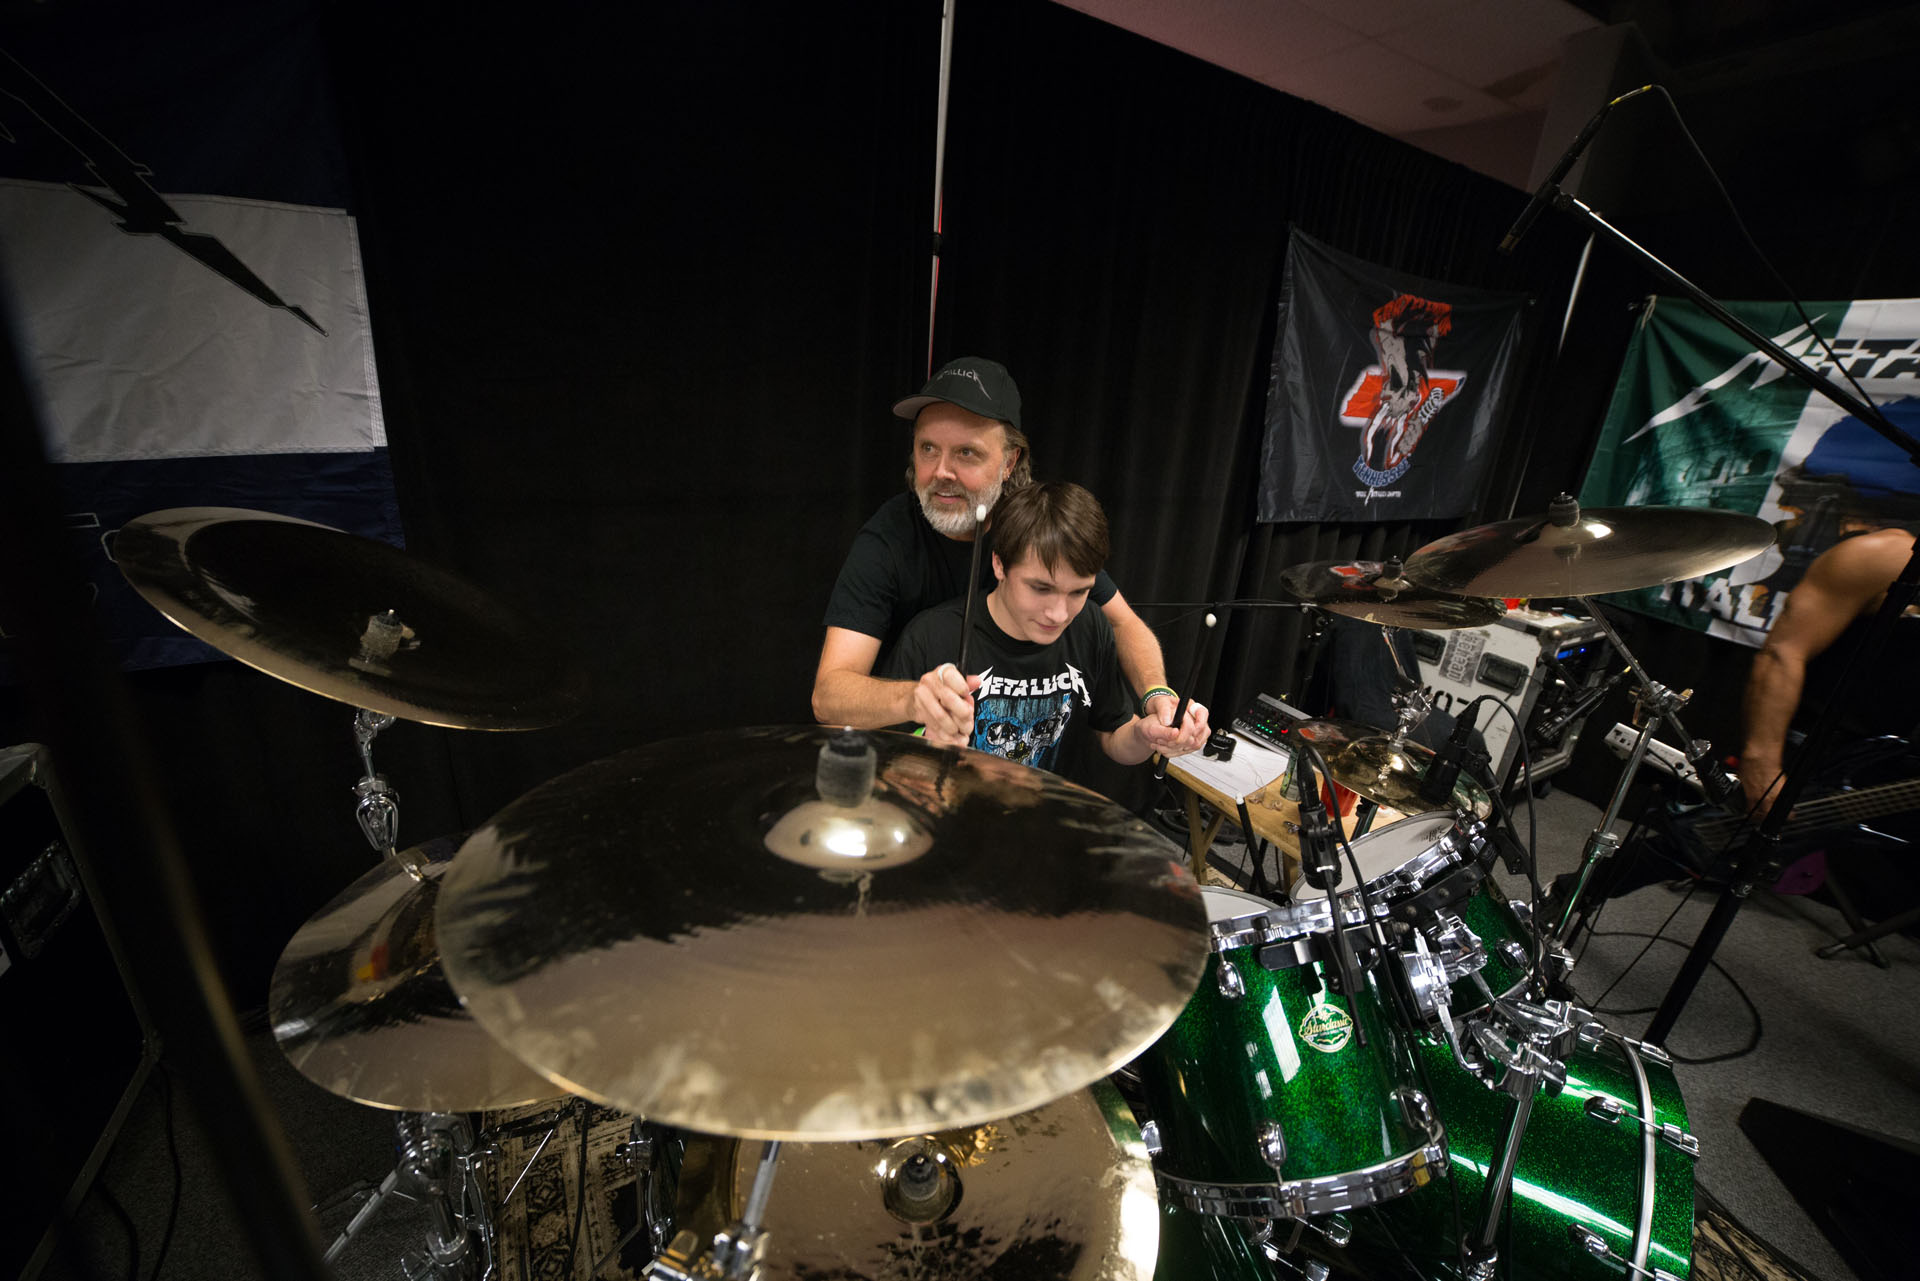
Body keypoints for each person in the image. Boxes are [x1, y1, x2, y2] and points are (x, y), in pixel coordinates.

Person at [811, 357, 1171, 735]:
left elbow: (1122, 622)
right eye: (928, 448)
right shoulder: (887, 539)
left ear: (1010, 462)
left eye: (966, 452)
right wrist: (915, 698)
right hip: (907, 743)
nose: (941, 472)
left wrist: (1157, 695)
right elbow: (828, 697)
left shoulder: (1031, 526)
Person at [881, 482, 1208, 774]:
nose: (1059, 614)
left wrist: (1145, 735)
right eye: (1040, 588)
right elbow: (886, 758)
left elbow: (1113, 736)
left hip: (1045, 814)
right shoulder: (931, 636)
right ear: (999, 564)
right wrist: (929, 743)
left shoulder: (1089, 625)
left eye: (1078, 592)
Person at [1741, 524, 1920, 816]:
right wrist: (1761, 763)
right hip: (1810, 764)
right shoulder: (1887, 557)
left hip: (1892, 793)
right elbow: (1784, 653)